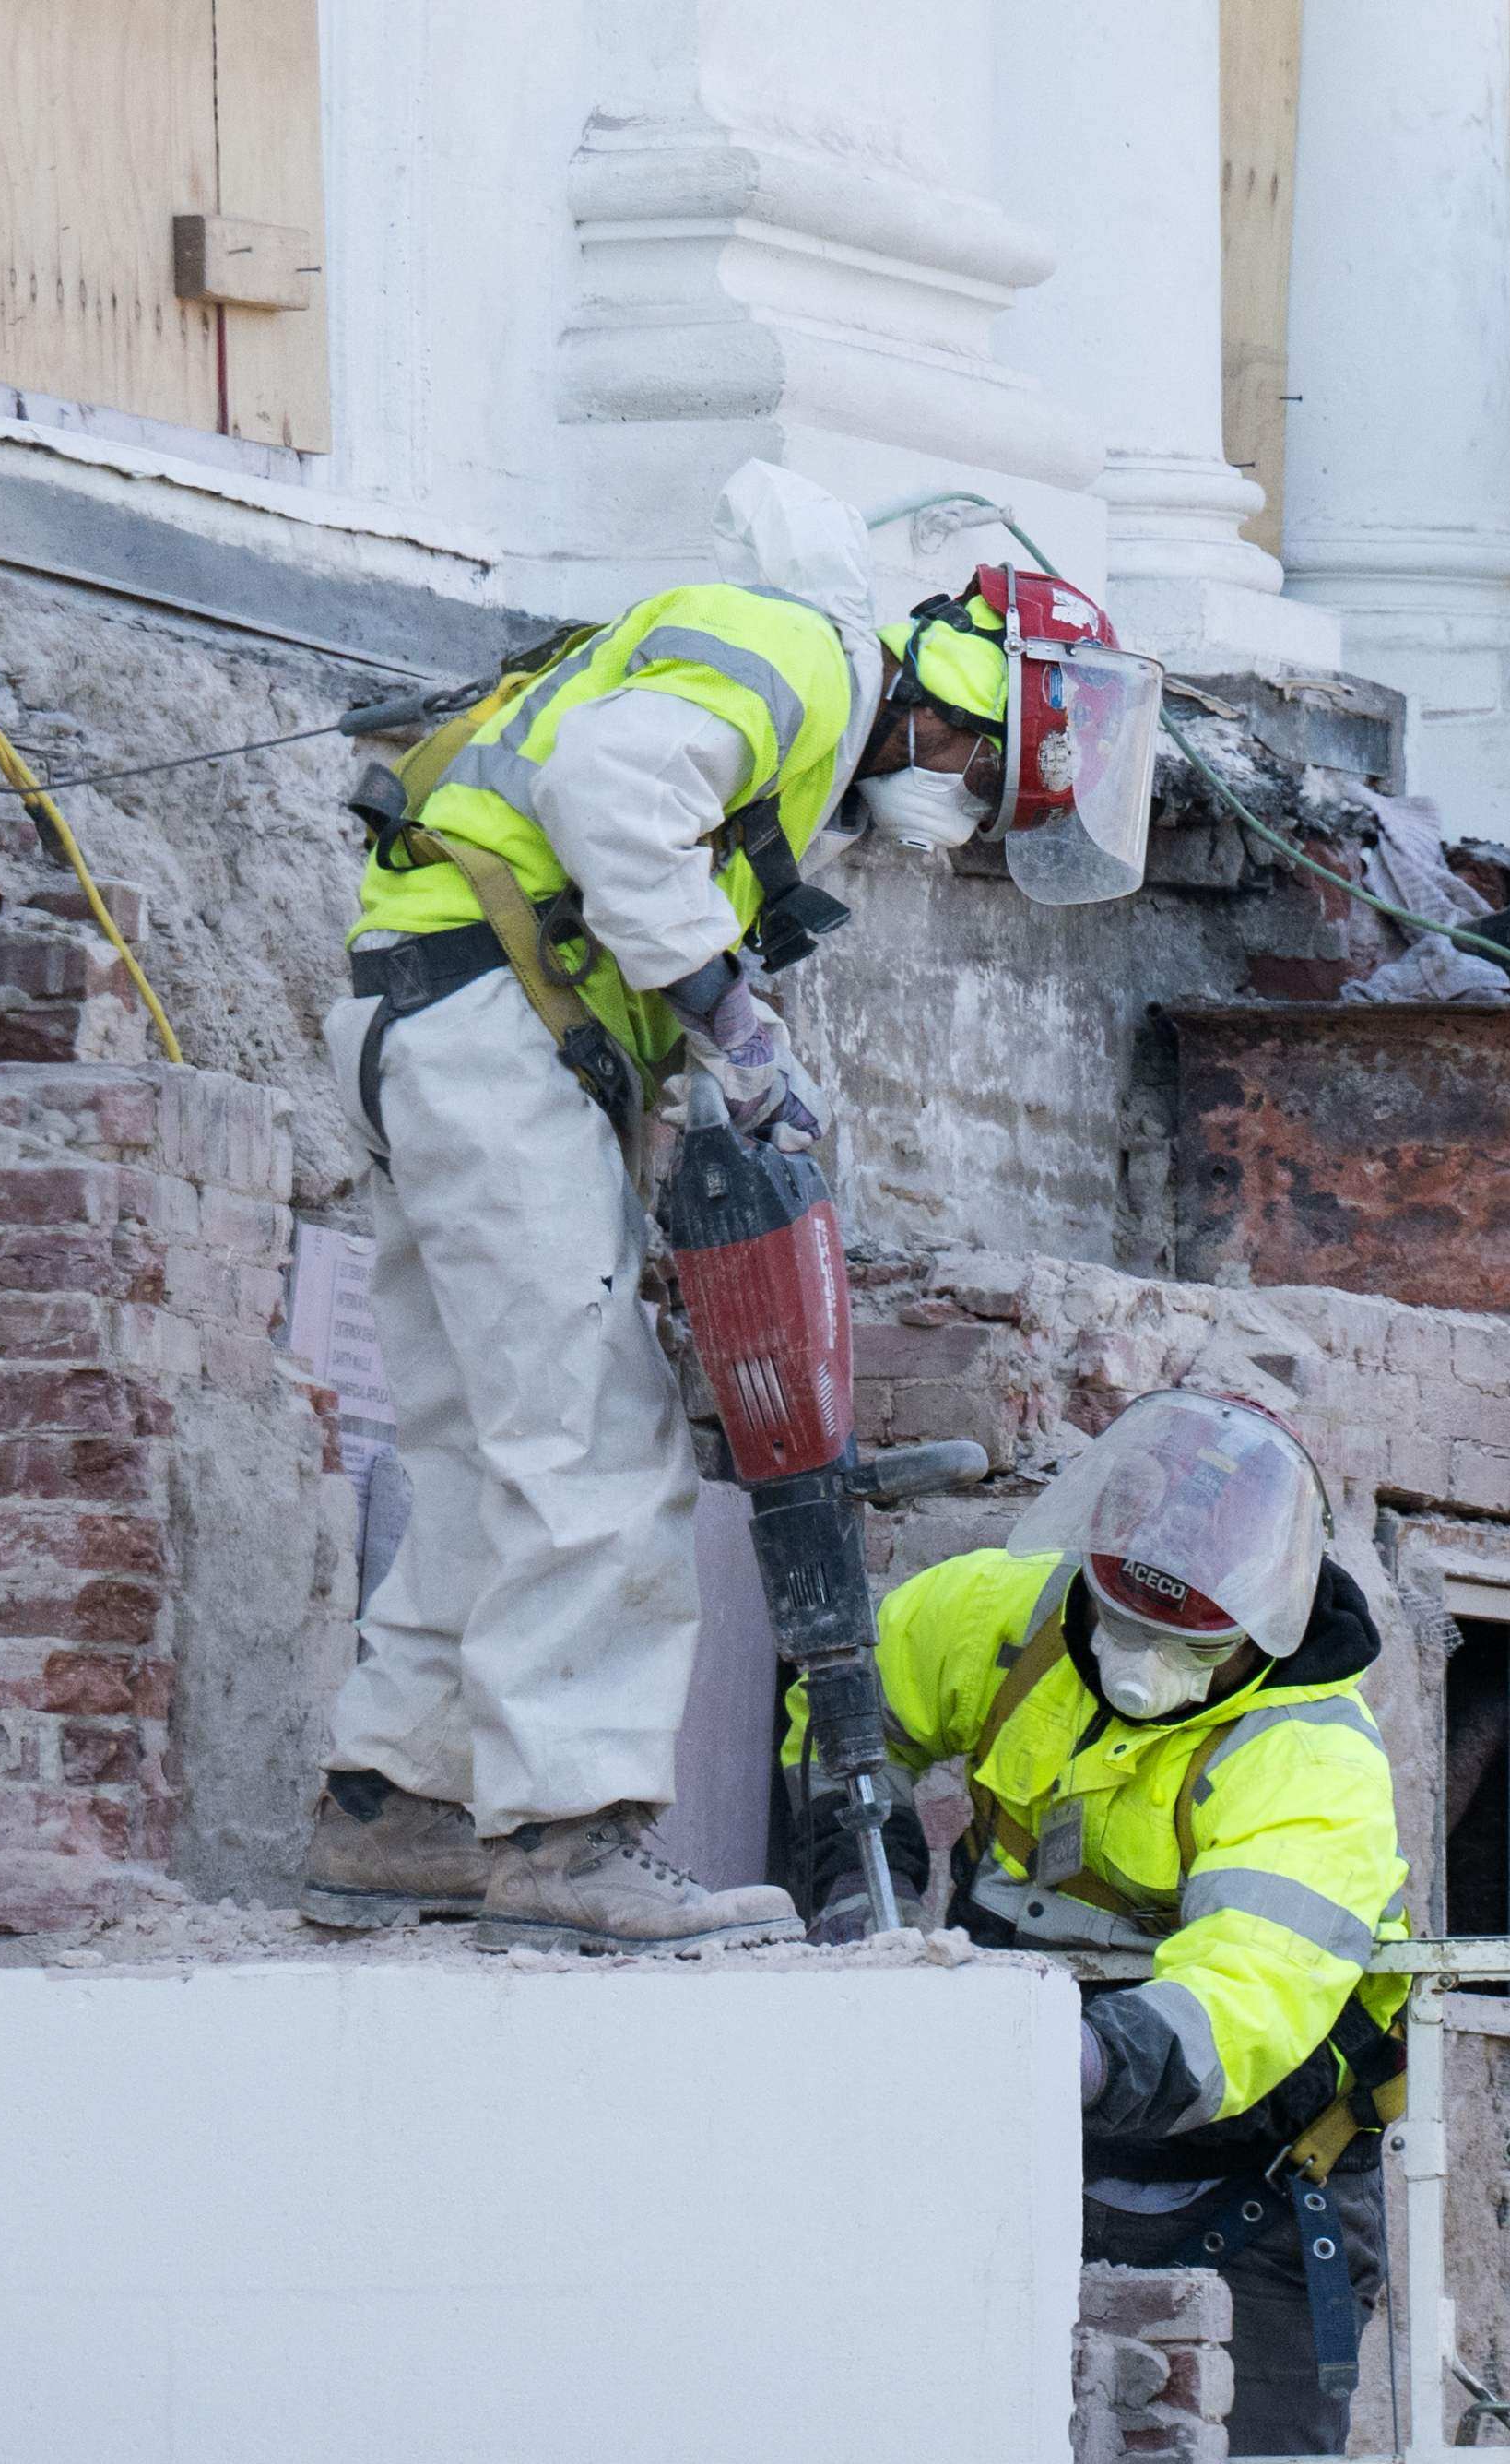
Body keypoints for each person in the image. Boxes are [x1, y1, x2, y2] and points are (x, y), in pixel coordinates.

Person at [295, 462, 1034, 1953]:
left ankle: (394, 1800)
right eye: (973, 776)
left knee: (473, 1439)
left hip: (426, 1020)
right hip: (490, 1034)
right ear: (945, 717)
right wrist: (727, 1011)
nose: (953, 814)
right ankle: (573, 1830)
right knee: (593, 1437)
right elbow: (608, 792)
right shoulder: (811, 663)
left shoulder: (750, 671)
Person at [786, 1392, 1412, 2455]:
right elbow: (848, 1714)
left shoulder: (1310, 1757)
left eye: (1184, 1644)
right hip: (1022, 2151)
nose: (1140, 1664)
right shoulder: (1001, 1616)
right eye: (1124, 1624)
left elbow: (1243, 1998)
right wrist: (855, 1881)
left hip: (1251, 2182)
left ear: (1262, 1620)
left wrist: (1060, 2050)